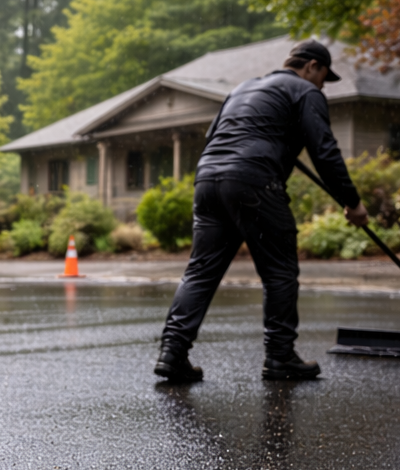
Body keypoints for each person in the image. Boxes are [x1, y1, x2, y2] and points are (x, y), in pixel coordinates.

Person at [154, 39, 369, 383]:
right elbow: (324, 151)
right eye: (323, 77)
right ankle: (280, 357)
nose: (321, 86)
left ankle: (172, 353)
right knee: (279, 270)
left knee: (200, 272)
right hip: (253, 180)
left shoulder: (242, 89)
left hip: (208, 178)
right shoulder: (305, 91)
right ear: (312, 65)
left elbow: (217, 135)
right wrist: (353, 203)